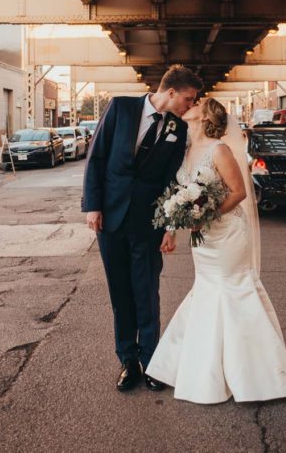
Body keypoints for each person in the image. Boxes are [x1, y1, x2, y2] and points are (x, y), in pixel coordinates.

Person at [146, 98, 286, 403]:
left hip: (227, 234)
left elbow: (239, 192)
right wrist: (176, 225)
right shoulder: (185, 151)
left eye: (197, 103)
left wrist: (205, 216)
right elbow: (180, 193)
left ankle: (255, 370)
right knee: (206, 290)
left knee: (232, 290)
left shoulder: (220, 150)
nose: (191, 104)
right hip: (202, 239)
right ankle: (205, 365)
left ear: (204, 117)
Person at [82, 65, 203, 392]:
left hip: (148, 224)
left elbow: (171, 180)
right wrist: (92, 205)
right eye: (189, 100)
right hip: (109, 219)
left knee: (146, 293)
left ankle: (153, 363)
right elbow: (96, 157)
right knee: (120, 293)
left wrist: (169, 226)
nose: (190, 107)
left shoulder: (178, 129)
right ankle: (127, 360)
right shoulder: (121, 107)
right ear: (172, 91)